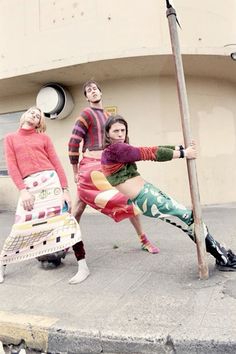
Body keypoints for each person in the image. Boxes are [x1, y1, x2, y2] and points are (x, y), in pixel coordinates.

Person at [101, 115, 236, 271]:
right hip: (147, 198)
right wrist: (184, 153)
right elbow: (150, 152)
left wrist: (180, 148)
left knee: (190, 220)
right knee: (190, 220)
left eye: (122, 130)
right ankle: (222, 257)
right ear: (108, 134)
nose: (120, 134)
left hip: (148, 195)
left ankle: (221, 254)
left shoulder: (116, 151)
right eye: (115, 131)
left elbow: (152, 148)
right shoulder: (116, 149)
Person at [68, 80, 159, 284]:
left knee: (127, 198)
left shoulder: (109, 117)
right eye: (88, 90)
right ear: (86, 96)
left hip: (109, 164)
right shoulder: (86, 114)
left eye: (95, 88)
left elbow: (121, 141)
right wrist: (75, 171)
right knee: (79, 207)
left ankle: (143, 239)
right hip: (90, 166)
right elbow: (74, 142)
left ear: (101, 92)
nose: (92, 91)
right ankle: (67, 241)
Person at [0, 106, 83, 284]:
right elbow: (12, 167)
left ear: (39, 123)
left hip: (51, 182)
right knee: (20, 227)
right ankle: (2, 264)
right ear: (24, 115)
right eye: (31, 112)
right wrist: (23, 190)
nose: (34, 116)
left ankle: (82, 265)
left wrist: (65, 190)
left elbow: (56, 163)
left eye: (37, 116)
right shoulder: (10, 138)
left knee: (64, 223)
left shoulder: (44, 138)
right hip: (29, 186)